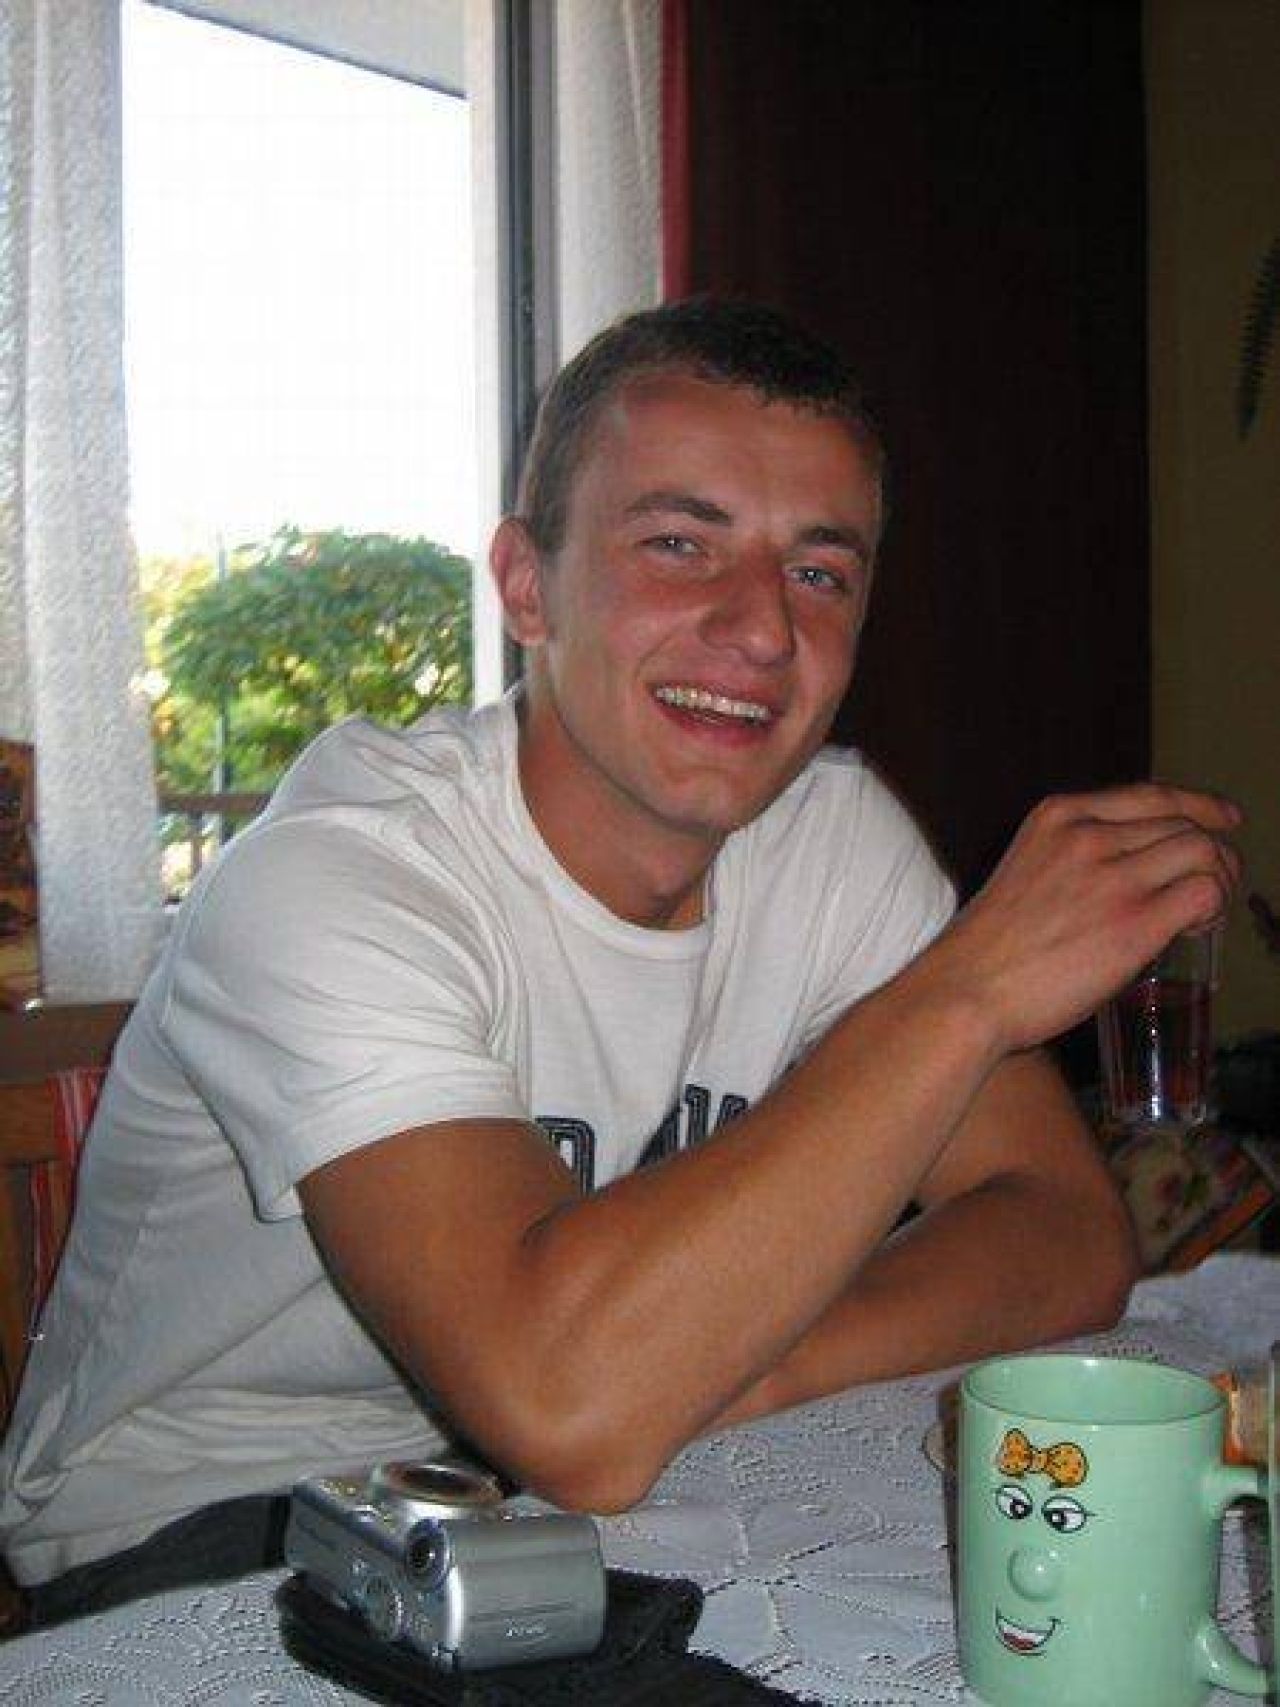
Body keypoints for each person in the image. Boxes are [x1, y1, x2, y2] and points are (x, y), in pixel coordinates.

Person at [0, 298, 1238, 1624]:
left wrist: (724, 1368)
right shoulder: (342, 873)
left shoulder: (832, 842)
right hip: (200, 1532)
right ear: (526, 585)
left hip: (603, 1479)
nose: (762, 629)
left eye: (819, 573)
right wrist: (969, 988)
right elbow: (574, 1411)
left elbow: (1066, 1229)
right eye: (677, 544)